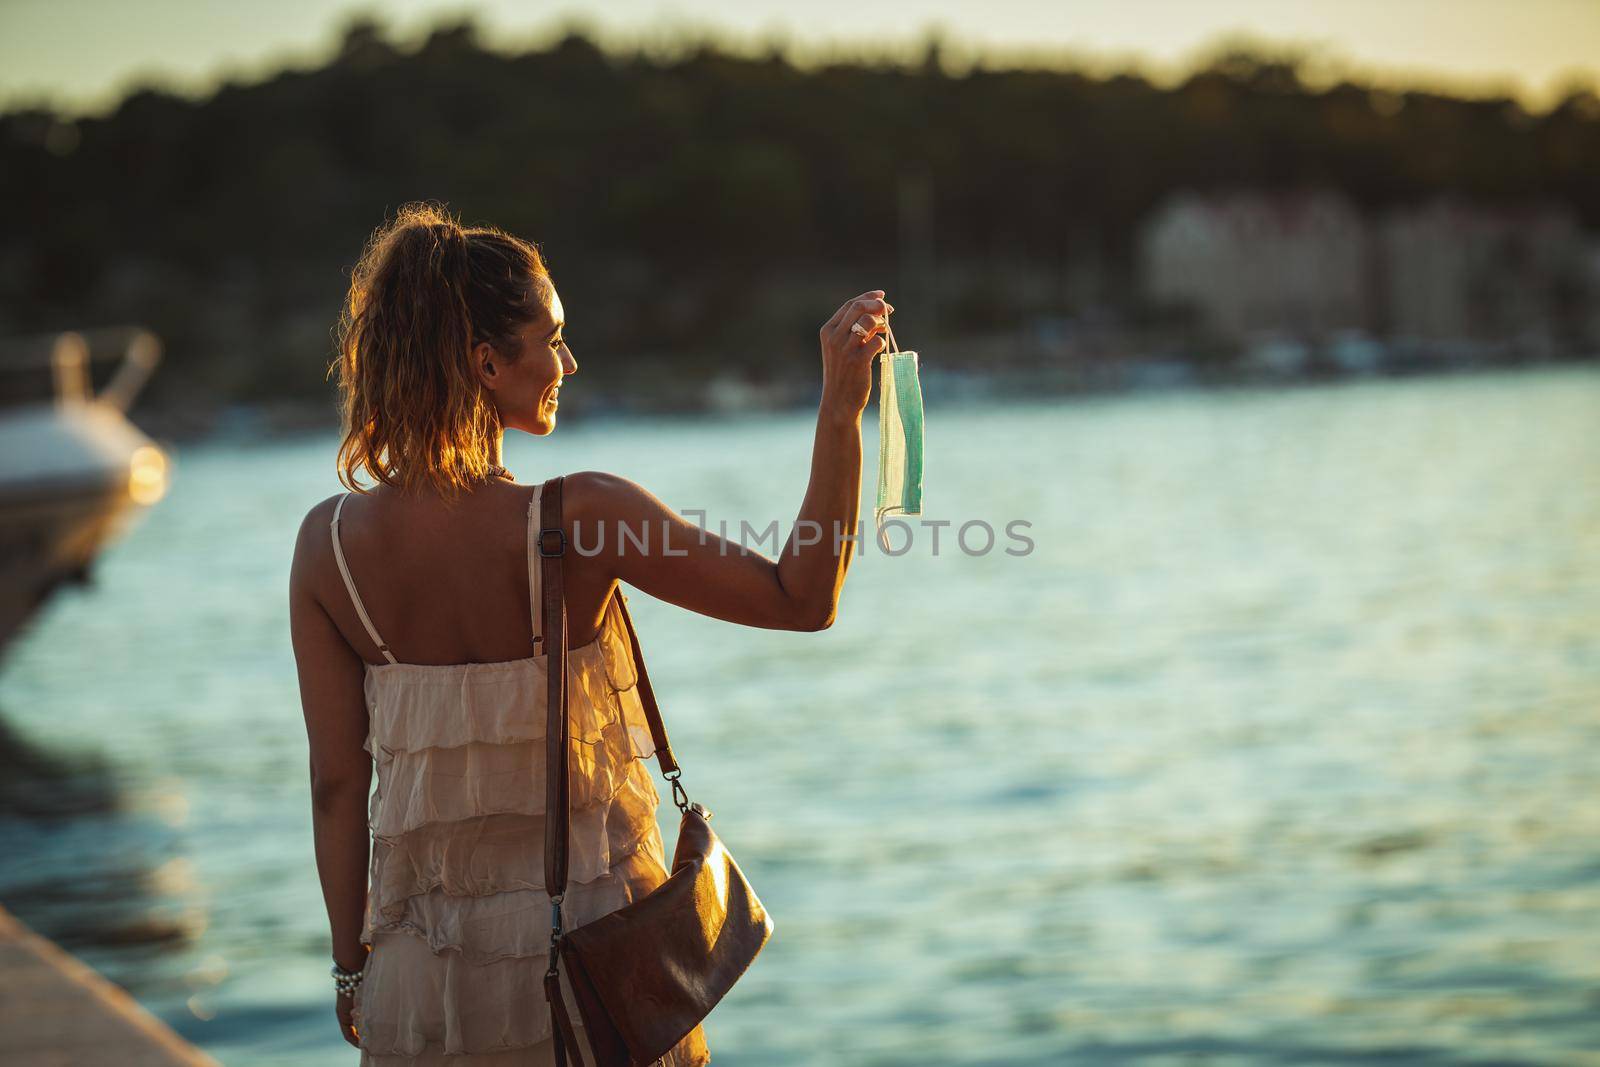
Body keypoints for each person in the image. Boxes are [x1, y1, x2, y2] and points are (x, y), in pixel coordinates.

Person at [289, 201, 892, 1064]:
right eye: (552, 338)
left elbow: (336, 788)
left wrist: (352, 969)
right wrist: (839, 411)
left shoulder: (327, 546)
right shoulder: (586, 517)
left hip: (423, 987)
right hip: (596, 973)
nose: (568, 360)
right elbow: (802, 596)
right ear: (486, 362)